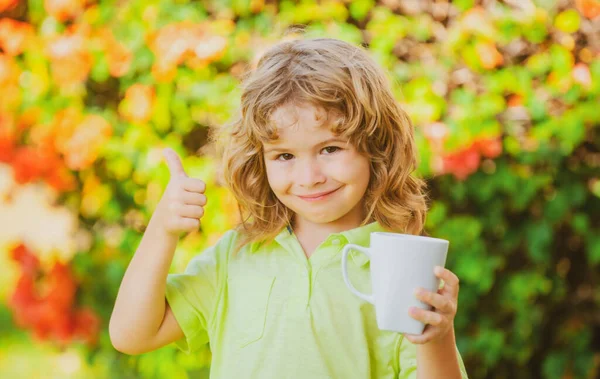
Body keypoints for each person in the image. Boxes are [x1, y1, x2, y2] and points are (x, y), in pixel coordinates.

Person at [109, 37, 469, 378]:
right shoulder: (236, 256)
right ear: (259, 161)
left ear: (376, 146)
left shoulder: (395, 269)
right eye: (284, 155)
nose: (309, 177)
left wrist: (437, 336)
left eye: (330, 149)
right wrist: (162, 231)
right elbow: (131, 335)